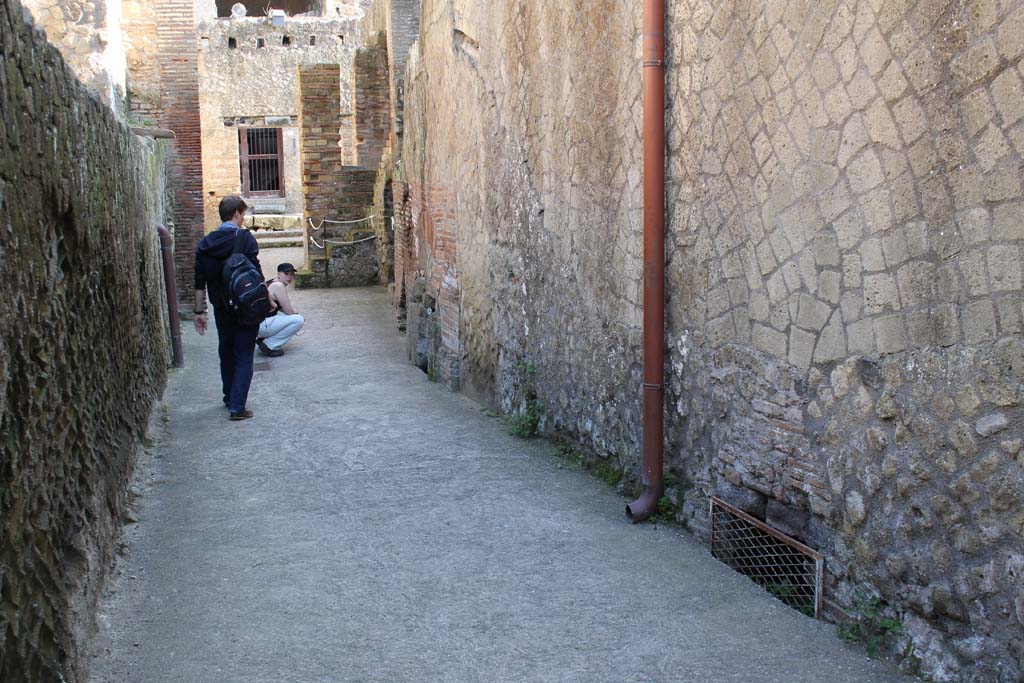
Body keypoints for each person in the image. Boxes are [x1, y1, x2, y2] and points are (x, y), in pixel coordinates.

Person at [194, 196, 265, 421]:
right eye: (242, 213)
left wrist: (198, 312)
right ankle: (237, 406)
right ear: (236, 213)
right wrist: (268, 299)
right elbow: (256, 272)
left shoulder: (205, 245)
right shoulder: (244, 238)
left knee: (226, 350)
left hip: (221, 308)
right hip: (245, 306)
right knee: (244, 353)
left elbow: (199, 282)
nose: (243, 218)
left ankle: (228, 396)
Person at [257, 263, 305, 357]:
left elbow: (282, 309)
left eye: (292, 274)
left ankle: (263, 339)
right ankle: (270, 345)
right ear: (279, 274)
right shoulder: (278, 285)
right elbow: (288, 310)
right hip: (261, 325)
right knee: (298, 320)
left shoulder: (271, 282)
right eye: (286, 273)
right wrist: (297, 315)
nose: (290, 277)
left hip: (258, 323)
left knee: (287, 317)